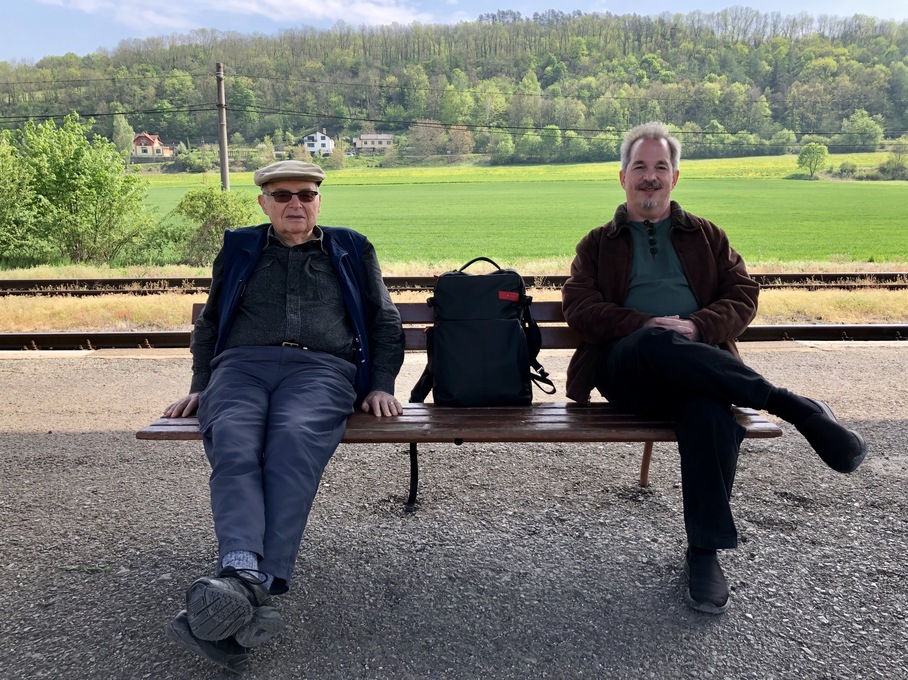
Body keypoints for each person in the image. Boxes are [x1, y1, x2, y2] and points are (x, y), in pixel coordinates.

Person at [561, 122, 866, 615]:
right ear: (622, 177)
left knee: (708, 413)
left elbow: (743, 295)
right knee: (656, 340)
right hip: (627, 370)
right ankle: (793, 406)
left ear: (675, 178)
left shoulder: (706, 235)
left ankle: (704, 553)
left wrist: (700, 327)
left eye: (661, 167)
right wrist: (646, 323)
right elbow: (578, 307)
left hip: (698, 369)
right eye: (640, 167)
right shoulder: (598, 243)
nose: (650, 178)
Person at [162, 160, 405, 672]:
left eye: (307, 194)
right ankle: (250, 581)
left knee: (294, 439)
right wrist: (200, 386)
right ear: (263, 203)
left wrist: (381, 384)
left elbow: (384, 318)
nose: (296, 203)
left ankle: (241, 583)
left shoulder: (352, 247)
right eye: (282, 195)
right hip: (241, 369)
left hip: (320, 371)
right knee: (232, 439)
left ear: (319, 199)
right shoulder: (240, 247)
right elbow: (209, 323)